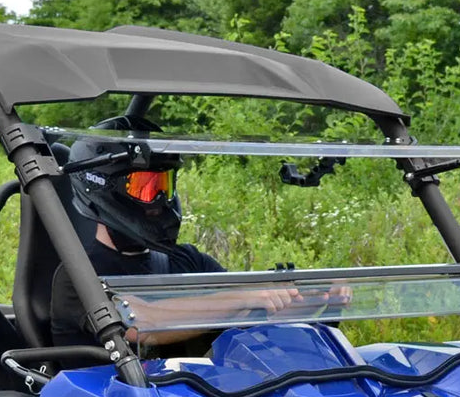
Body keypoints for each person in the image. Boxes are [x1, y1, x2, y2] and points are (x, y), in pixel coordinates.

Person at [48, 119, 342, 354]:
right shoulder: (77, 276)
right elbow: (141, 323)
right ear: (103, 189)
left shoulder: (187, 260)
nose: (160, 199)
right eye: (146, 188)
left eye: (165, 184)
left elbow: (251, 314)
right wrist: (243, 296)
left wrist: (315, 299)